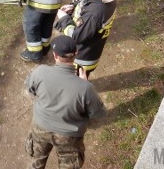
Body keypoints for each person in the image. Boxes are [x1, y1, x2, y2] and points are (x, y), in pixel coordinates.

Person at [24, 35, 106, 169]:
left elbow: (30, 89)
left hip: (40, 128)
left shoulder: (40, 71)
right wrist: (84, 83)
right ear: (76, 54)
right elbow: (99, 114)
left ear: (55, 55)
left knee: (36, 161)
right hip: (69, 136)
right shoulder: (86, 88)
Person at [54, 0, 117, 79]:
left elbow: (76, 36)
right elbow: (88, 2)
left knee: (75, 81)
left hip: (82, 58)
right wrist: (74, 6)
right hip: (89, 48)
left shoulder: (94, 13)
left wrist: (64, 18)